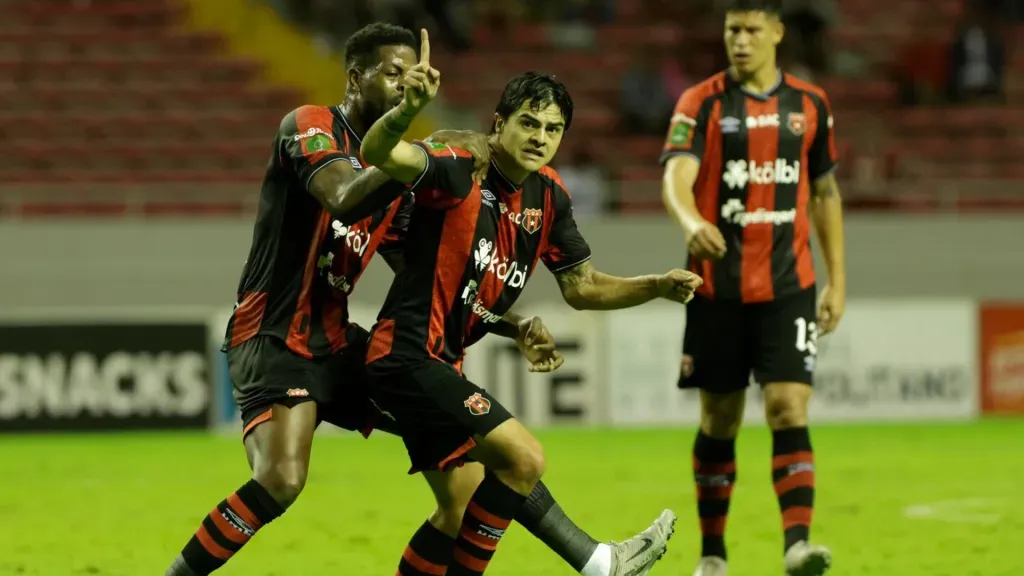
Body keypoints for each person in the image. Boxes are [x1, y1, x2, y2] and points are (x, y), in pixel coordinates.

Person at [163, 22, 673, 576]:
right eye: (393, 73)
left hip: (340, 344)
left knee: (464, 492)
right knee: (282, 481)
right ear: (355, 79)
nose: (406, 82)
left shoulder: (409, 179)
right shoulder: (311, 125)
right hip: (274, 333)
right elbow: (341, 199)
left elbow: (433, 271)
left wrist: (514, 322)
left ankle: (594, 559)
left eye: (413, 73)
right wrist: (433, 143)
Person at [357, 37, 705, 575]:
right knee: (524, 459)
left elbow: (582, 287)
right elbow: (378, 154)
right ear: (499, 123)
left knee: (457, 507)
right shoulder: (461, 166)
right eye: (528, 123)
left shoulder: (550, 197)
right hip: (405, 355)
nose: (539, 137)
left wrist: (654, 285)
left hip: (440, 360)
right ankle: (599, 565)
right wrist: (410, 109)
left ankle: (597, 563)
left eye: (552, 129)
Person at [659, 1, 846, 575]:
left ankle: (797, 545)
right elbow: (675, 175)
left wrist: (838, 280)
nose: (739, 40)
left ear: (777, 33)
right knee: (720, 420)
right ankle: (713, 555)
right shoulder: (702, 101)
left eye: (751, 30)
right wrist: (692, 223)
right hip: (717, 288)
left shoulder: (810, 104)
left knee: (789, 406)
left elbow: (824, 193)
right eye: (731, 30)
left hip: (789, 285)